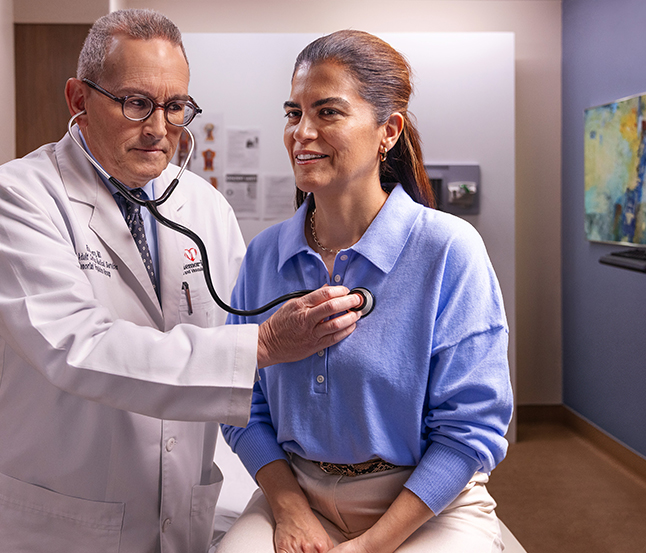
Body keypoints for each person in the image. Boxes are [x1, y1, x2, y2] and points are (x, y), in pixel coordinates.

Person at [0, 10, 362, 553]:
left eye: (175, 107)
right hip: (57, 516)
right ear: (78, 99)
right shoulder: (20, 196)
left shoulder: (203, 207)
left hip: (176, 511)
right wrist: (265, 343)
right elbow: (77, 348)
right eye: (135, 103)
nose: (158, 128)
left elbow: (238, 358)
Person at [219, 30, 513, 553]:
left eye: (327, 112)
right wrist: (289, 510)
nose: (301, 133)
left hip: (425, 502)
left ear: (388, 131)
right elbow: (240, 403)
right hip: (299, 491)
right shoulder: (266, 255)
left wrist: (369, 546)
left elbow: (470, 429)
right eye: (293, 113)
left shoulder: (448, 249)